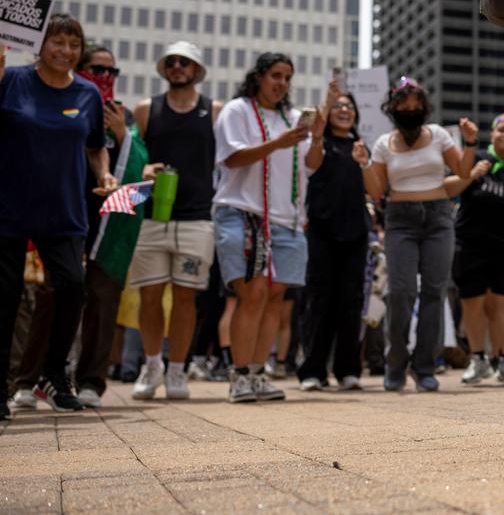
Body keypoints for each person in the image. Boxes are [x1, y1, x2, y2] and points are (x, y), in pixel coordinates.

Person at [0, 15, 119, 419]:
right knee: (5, 296)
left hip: (65, 211)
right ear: (40, 43)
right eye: (58, 42)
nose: (65, 51)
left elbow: (94, 146)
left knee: (72, 287)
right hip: (9, 209)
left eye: (73, 44)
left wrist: (104, 173)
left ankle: (52, 374)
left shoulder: (88, 94)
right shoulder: (11, 79)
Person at [214, 53, 323, 403]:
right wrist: (279, 142)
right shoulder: (237, 110)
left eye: (288, 77)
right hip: (244, 212)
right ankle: (240, 374)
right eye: (276, 75)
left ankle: (259, 373)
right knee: (253, 293)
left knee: (277, 298)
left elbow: (311, 166)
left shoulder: (292, 119)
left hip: (287, 219)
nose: (282, 84)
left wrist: (317, 139)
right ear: (258, 77)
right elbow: (232, 158)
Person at [363, 78, 473, 393]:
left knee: (435, 293)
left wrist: (470, 143)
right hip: (400, 220)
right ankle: (395, 363)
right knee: (399, 293)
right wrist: (362, 164)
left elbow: (463, 172)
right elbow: (377, 190)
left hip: (438, 216)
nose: (410, 109)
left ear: (424, 107)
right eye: (403, 105)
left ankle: (425, 366)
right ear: (393, 108)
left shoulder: (438, 134)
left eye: (415, 105)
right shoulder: (384, 143)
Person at [124, 42, 220, 402]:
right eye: (172, 62)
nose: (178, 67)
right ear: (164, 68)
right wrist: (145, 168)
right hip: (152, 215)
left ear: (196, 69)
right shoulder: (146, 109)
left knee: (185, 298)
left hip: (197, 218)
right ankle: (152, 365)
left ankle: (177, 370)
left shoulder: (214, 111)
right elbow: (133, 158)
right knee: (150, 296)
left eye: (186, 62)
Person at [74, 45, 150, 408]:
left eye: (111, 72)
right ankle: (37, 376)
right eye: (96, 69)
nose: (105, 77)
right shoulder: (68, 98)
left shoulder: (126, 117)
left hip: (111, 222)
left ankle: (91, 381)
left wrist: (122, 135)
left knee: (103, 299)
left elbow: (141, 165)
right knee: (55, 296)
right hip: (67, 214)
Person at [446, 114, 504, 386]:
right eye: (501, 130)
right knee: (472, 302)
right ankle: (478, 359)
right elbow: (447, 188)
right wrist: (472, 174)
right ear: (492, 134)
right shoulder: (476, 157)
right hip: (470, 242)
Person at [297, 87, 371, 392]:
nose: (344, 110)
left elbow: (376, 188)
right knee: (320, 301)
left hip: (356, 232)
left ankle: (348, 370)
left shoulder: (360, 146)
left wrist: (365, 161)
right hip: (322, 232)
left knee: (351, 302)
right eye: (338, 106)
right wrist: (318, 129)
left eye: (349, 106)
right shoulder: (319, 143)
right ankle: (312, 371)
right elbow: (312, 165)